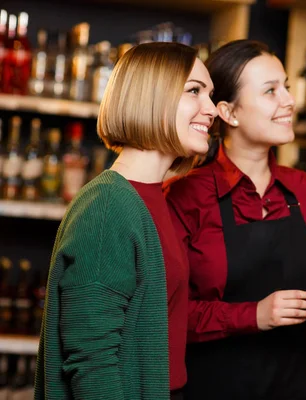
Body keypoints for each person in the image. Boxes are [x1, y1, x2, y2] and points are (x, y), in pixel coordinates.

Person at [163, 39, 306, 399]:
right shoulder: (184, 197)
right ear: (228, 112)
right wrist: (255, 315)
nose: (289, 101)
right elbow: (168, 315)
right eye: (271, 91)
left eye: (287, 87)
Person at [34, 42, 217, 400]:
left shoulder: (153, 198)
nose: (211, 109)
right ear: (152, 96)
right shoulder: (108, 207)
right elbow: (91, 363)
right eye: (194, 91)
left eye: (211, 95)